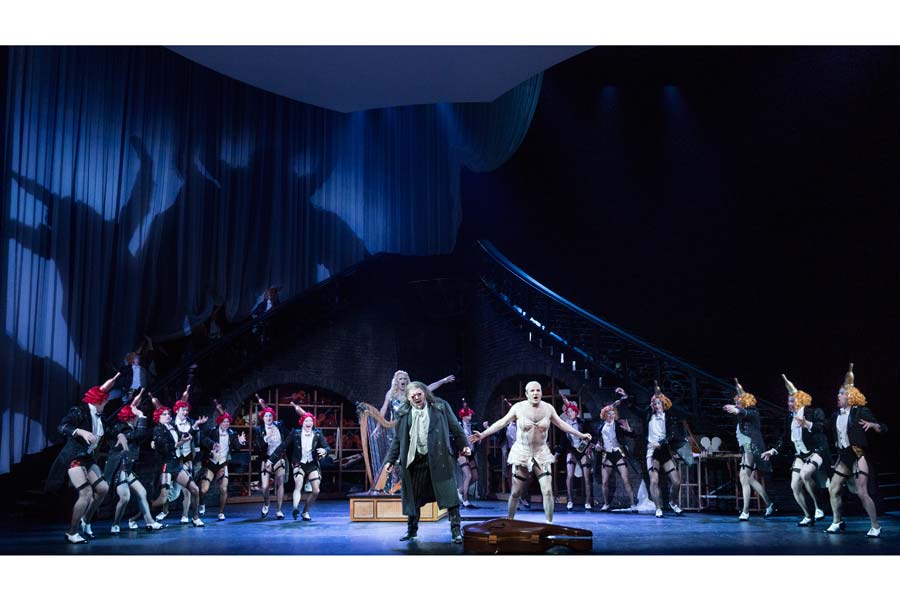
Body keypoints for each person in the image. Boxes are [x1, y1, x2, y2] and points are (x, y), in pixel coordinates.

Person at [469, 381, 591, 524]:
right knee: (516, 492)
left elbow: (562, 424)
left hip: (541, 452)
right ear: (527, 394)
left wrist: (581, 435)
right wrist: (483, 434)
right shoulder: (518, 408)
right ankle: (510, 521)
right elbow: (502, 422)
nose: (535, 393)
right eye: (532, 391)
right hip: (522, 452)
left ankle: (549, 523)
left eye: (538, 390)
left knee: (547, 491)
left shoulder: (548, 408)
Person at [384, 382, 471, 543]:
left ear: (425, 393)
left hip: (439, 458)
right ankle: (411, 530)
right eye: (413, 396)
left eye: (419, 394)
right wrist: (390, 460)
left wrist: (464, 445)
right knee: (413, 497)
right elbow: (398, 439)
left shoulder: (440, 407)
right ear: (408, 398)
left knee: (450, 496)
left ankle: (456, 531)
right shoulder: (403, 413)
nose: (417, 398)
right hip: (415, 460)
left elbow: (456, 428)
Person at [45, 372, 121, 543]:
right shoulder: (79, 411)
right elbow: (62, 426)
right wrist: (80, 431)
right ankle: (72, 533)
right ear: (99, 401)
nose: (107, 404)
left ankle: (86, 520)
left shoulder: (100, 417)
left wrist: (120, 435)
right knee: (86, 493)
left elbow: (108, 432)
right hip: (74, 456)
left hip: (87, 457)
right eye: (105, 402)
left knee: (102, 489)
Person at [825, 364, 888, 537]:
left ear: (850, 396)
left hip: (858, 455)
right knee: (833, 488)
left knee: (862, 492)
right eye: (838, 393)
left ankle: (875, 526)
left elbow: (883, 427)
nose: (838, 396)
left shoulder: (860, 412)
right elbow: (825, 428)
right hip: (844, 456)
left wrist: (873, 425)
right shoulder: (836, 414)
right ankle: (837, 522)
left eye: (841, 393)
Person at [761, 374, 830, 526]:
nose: (789, 403)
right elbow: (785, 437)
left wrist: (807, 424)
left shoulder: (813, 412)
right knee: (794, 486)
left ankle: (819, 507)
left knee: (805, 474)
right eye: (788, 401)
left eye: (792, 401)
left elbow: (824, 427)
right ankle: (808, 516)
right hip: (800, 454)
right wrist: (773, 450)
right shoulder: (789, 417)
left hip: (816, 450)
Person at [375, 370, 456, 493]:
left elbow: (429, 388)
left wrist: (443, 381)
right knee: (394, 460)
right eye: (400, 379)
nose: (403, 381)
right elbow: (383, 409)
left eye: (404, 379)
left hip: (409, 430)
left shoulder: (411, 393)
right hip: (394, 432)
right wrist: (378, 426)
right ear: (396, 381)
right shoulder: (390, 394)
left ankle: (407, 486)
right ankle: (394, 487)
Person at [617, 384, 687, 518]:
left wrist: (659, 443)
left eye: (658, 403)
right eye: (654, 403)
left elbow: (671, 435)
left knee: (676, 481)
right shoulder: (648, 415)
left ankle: (673, 502)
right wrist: (626, 397)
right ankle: (658, 508)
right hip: (651, 452)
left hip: (664, 451)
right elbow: (634, 408)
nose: (656, 405)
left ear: (663, 404)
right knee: (654, 481)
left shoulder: (669, 417)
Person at [103, 390, 165, 533]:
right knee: (125, 497)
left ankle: (150, 522)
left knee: (142, 492)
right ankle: (115, 524)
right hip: (119, 467)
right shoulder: (122, 429)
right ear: (131, 417)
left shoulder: (130, 428)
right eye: (136, 417)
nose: (138, 419)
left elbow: (142, 434)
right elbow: (140, 434)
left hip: (127, 468)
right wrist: (142, 416)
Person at [723, 379, 775, 521]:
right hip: (745, 448)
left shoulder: (753, 411)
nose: (736, 403)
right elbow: (740, 413)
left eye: (739, 402)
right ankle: (769, 504)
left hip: (752, 447)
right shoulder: (741, 416)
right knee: (749, 479)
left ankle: (745, 511)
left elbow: (745, 412)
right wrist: (735, 409)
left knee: (744, 477)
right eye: (736, 402)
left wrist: (736, 410)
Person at [149, 403, 204, 527]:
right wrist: (179, 443)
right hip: (166, 466)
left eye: (168, 414)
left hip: (176, 464)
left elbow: (183, 436)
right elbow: (165, 448)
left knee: (194, 489)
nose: (168, 416)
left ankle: (195, 518)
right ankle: (141, 514)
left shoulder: (172, 427)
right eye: (165, 414)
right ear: (158, 417)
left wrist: (194, 427)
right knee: (163, 498)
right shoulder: (158, 429)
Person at [198, 402, 247, 520]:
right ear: (220, 422)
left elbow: (236, 447)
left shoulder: (232, 434)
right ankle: (202, 503)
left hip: (222, 464)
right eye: (224, 421)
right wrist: (212, 444)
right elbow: (203, 439)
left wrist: (240, 442)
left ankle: (221, 512)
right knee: (203, 489)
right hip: (211, 463)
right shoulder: (212, 431)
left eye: (228, 422)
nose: (226, 424)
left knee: (223, 489)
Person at [286, 402, 332, 520]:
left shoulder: (317, 433)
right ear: (302, 422)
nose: (309, 423)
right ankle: (295, 508)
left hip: (311, 463)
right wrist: (272, 459)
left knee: (316, 490)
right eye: (306, 421)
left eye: (311, 421)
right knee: (298, 484)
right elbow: (283, 446)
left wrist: (325, 451)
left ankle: (305, 511)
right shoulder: (296, 433)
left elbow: (327, 447)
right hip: (299, 463)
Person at [595, 403, 638, 512]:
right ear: (605, 415)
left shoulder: (618, 425)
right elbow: (598, 442)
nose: (611, 416)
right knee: (605, 482)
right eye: (609, 414)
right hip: (606, 455)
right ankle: (606, 504)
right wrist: (597, 446)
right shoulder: (600, 428)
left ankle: (633, 504)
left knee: (626, 479)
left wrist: (629, 429)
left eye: (613, 414)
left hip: (618, 453)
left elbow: (633, 435)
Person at [254, 395, 289, 519]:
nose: (268, 418)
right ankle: (266, 503)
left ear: (273, 417)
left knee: (280, 483)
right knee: (264, 487)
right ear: (262, 418)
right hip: (266, 459)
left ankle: (279, 510)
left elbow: (287, 438)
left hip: (279, 458)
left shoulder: (279, 425)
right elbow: (257, 447)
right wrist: (266, 438)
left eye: (270, 416)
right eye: (266, 416)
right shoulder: (259, 430)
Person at [559, 395, 593, 511]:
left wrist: (590, 446)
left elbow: (592, 435)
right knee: (569, 476)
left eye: (571, 411)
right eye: (568, 412)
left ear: (576, 412)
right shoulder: (565, 425)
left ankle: (588, 501)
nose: (570, 413)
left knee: (586, 477)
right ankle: (570, 500)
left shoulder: (583, 422)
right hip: (572, 450)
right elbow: (562, 441)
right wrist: (557, 454)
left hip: (583, 450)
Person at [456, 401, 480, 508]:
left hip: (470, 453)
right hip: (462, 453)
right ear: (463, 416)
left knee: (475, 476)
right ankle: (465, 499)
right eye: (468, 414)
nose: (470, 416)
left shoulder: (470, 426)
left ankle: (460, 490)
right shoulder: (460, 427)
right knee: (468, 475)